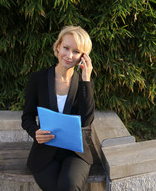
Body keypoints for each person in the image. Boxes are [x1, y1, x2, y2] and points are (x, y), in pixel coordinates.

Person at [21, 26, 94, 191]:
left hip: (75, 152)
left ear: (83, 57)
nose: (69, 55)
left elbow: (86, 120)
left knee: (68, 186)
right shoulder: (38, 79)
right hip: (44, 151)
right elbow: (27, 117)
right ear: (58, 47)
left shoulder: (83, 83)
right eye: (66, 48)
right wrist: (35, 132)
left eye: (76, 51)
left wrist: (86, 80)